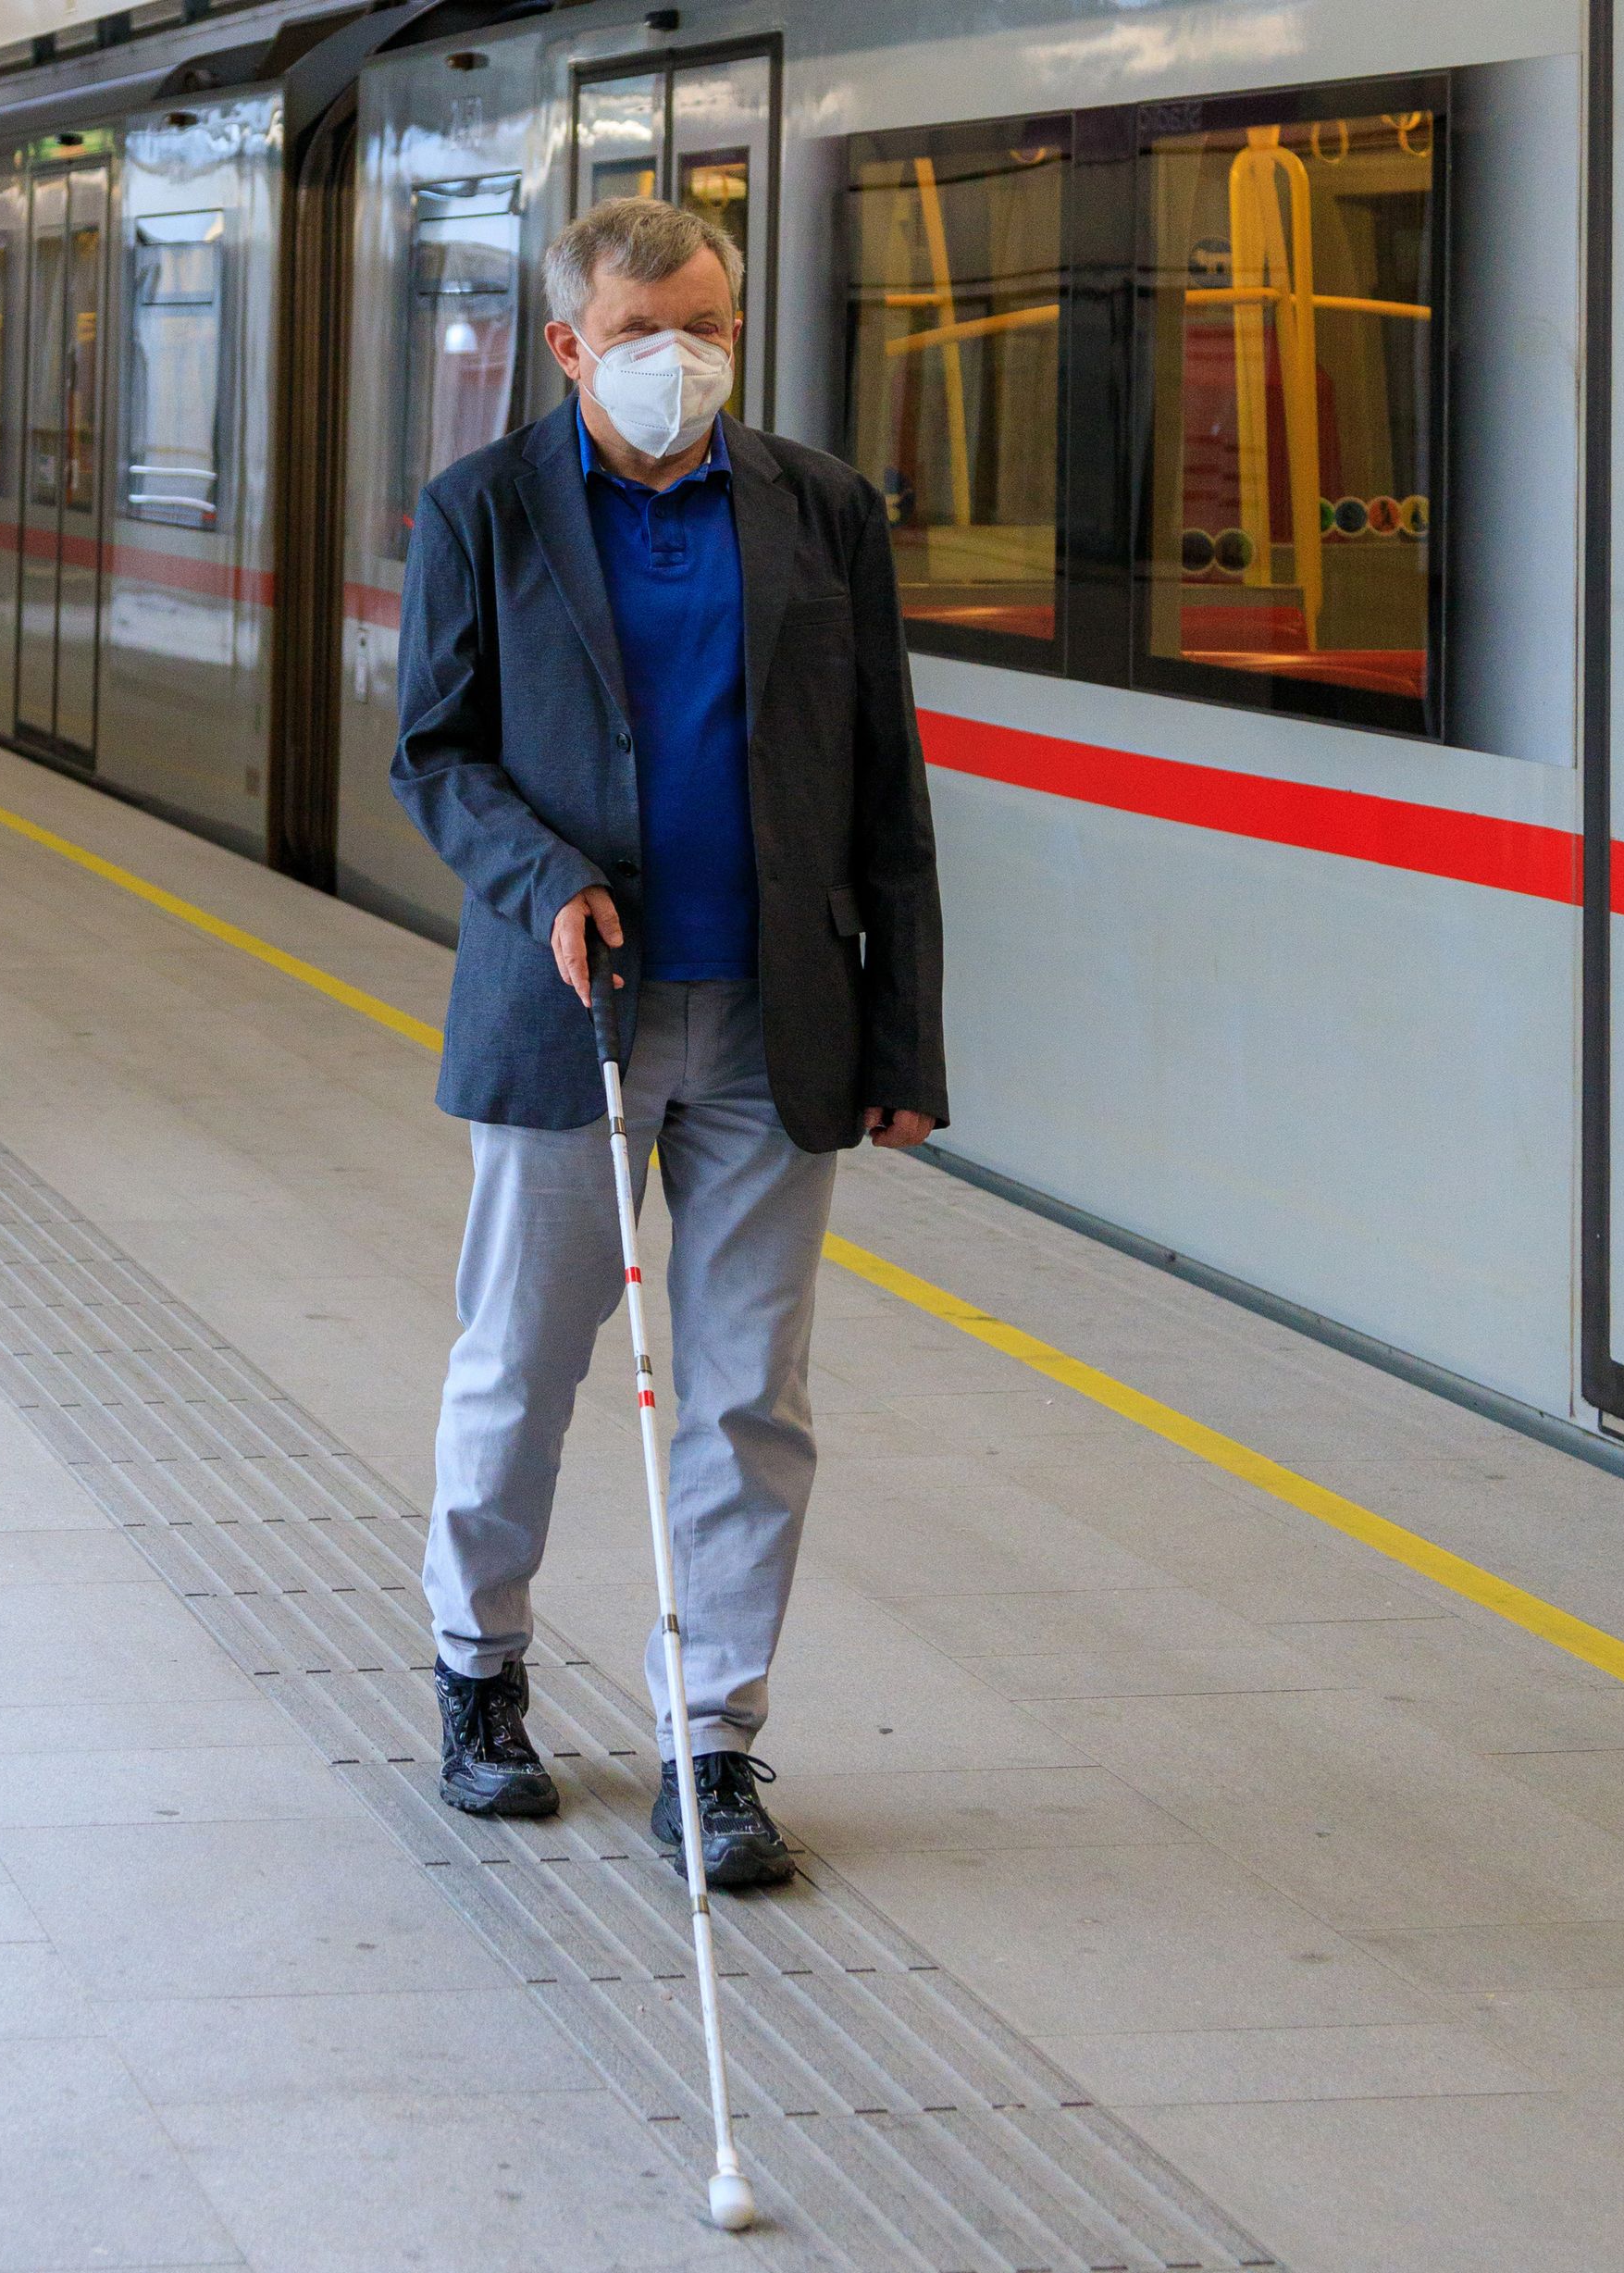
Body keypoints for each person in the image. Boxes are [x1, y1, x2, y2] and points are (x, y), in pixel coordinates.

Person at [388, 197, 945, 1891]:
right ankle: (481, 1680)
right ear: (568, 346)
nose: (677, 364)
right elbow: (436, 754)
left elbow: (883, 785)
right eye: (641, 335)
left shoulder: (821, 510)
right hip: (572, 1015)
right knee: (525, 1365)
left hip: (779, 1015)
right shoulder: (482, 508)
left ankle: (714, 1742)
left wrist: (905, 1035)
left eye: (704, 329)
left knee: (750, 1396)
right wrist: (541, 873)